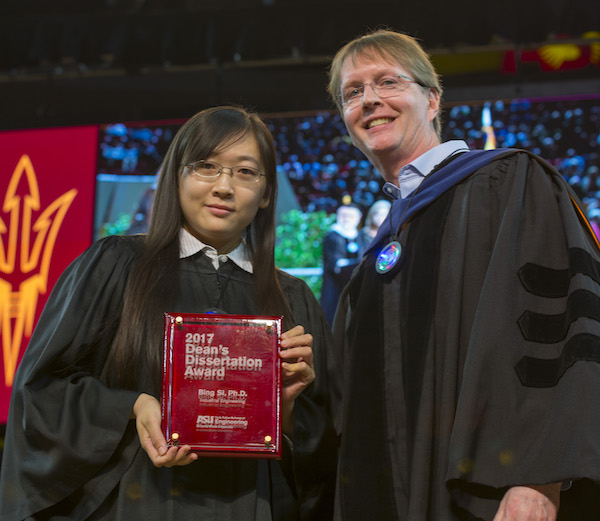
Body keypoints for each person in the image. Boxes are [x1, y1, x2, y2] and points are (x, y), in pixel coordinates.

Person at [0, 106, 338, 521]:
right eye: (206, 167)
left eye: (246, 172)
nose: (224, 187)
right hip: (134, 504)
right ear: (177, 176)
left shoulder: (293, 299)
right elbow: (42, 394)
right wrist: (133, 405)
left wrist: (284, 412)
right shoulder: (116, 266)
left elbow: (329, 450)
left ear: (267, 192)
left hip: (250, 505)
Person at [326, 29, 600, 521]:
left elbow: (562, 334)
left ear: (432, 100)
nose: (369, 100)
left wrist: (537, 476)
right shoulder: (373, 258)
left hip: (496, 492)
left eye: (387, 82)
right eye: (352, 92)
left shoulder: (511, 183)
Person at [320, 203, 364, 325]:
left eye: (351, 216)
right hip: (334, 283)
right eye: (344, 215)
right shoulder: (332, 235)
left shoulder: (359, 235)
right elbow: (333, 262)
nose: (347, 219)